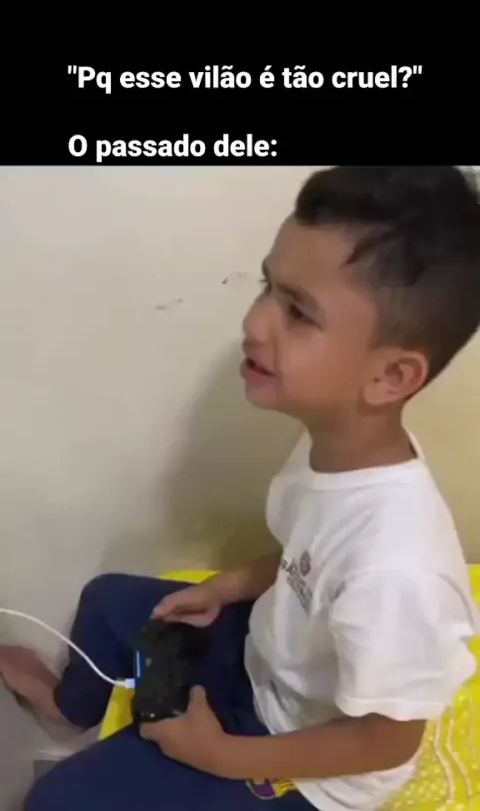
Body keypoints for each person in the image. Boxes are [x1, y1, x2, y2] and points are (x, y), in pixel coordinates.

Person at [1, 166, 480, 811]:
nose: (255, 323)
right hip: (263, 660)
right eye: (267, 287)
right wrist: (232, 586)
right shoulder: (337, 450)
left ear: (391, 377)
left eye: (298, 312)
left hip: (304, 760)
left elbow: (386, 741)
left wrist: (223, 756)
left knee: (56, 802)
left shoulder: (398, 568)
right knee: (110, 600)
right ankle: (69, 710)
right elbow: (309, 555)